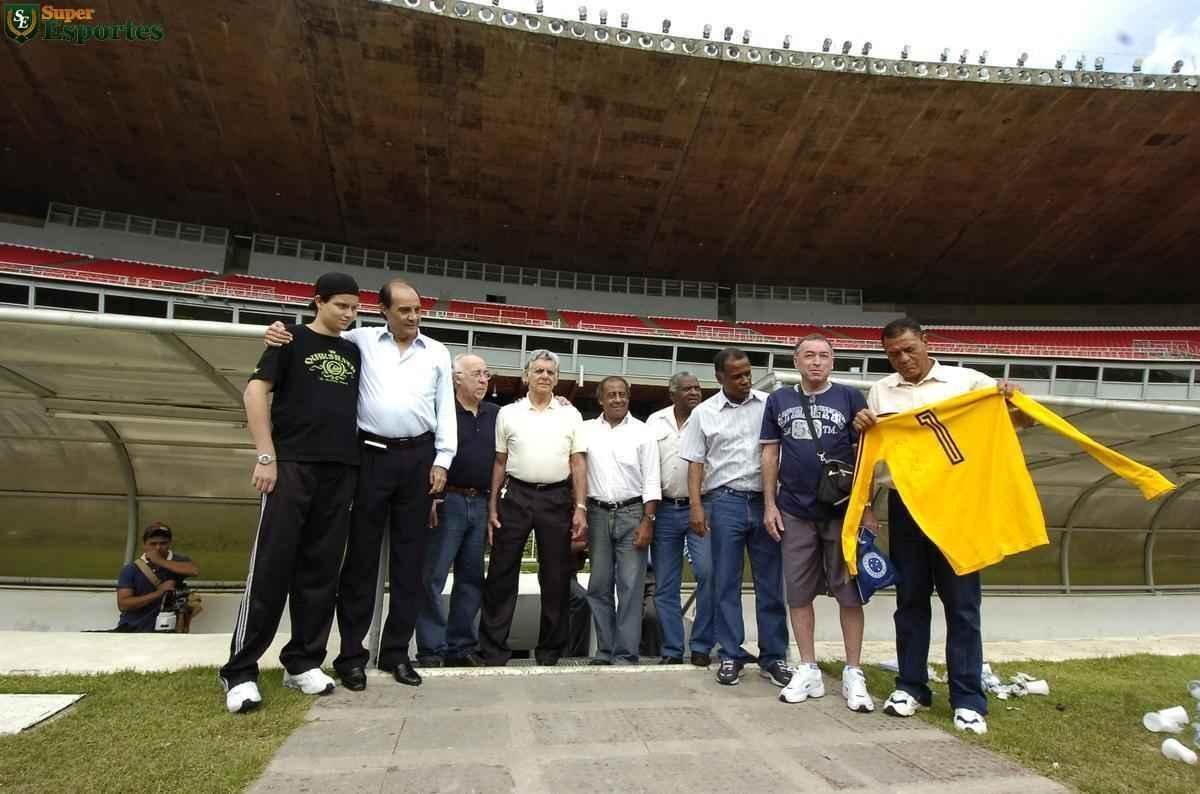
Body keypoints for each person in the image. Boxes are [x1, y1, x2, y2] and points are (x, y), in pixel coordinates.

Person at [266, 278, 456, 691]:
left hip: (419, 460)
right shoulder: (360, 341)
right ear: (383, 310)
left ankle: (396, 652)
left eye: (418, 310)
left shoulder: (438, 352)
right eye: (404, 310)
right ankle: (351, 655)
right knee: (360, 561)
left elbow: (445, 409)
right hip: (369, 457)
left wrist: (443, 460)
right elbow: (316, 332)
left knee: (410, 563)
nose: (413, 317)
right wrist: (280, 329)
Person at [852, 317, 1029, 735]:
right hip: (907, 505)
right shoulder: (881, 391)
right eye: (893, 354)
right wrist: (864, 435)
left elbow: (1018, 421)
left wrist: (1014, 399)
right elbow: (874, 453)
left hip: (956, 507)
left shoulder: (966, 381)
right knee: (910, 600)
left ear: (926, 342)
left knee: (962, 603)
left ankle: (968, 699)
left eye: (909, 349)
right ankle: (911, 686)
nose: (903, 359)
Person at [220, 272, 362, 714]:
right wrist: (266, 455)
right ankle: (240, 671)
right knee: (271, 567)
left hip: (340, 469)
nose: (348, 314)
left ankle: (302, 661)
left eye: (354, 307)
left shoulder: (354, 351)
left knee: (321, 571)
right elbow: (254, 393)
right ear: (318, 301)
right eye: (341, 305)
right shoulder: (289, 340)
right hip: (291, 466)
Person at [761, 335, 875, 712]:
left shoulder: (850, 398)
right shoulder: (779, 400)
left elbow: (865, 455)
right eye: (809, 355)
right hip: (794, 508)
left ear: (833, 361)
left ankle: (853, 670)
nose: (816, 362)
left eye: (824, 356)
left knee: (849, 591)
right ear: (796, 361)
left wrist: (866, 506)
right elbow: (770, 453)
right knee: (798, 591)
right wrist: (769, 504)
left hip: (840, 509)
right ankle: (808, 666)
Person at [680, 348, 791, 688]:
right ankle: (731, 653)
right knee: (725, 583)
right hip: (723, 501)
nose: (745, 380)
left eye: (748, 373)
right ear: (719, 378)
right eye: (737, 376)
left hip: (765, 501)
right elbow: (695, 463)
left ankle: (774, 656)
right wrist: (696, 507)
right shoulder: (703, 413)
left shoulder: (769, 404)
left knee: (770, 583)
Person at [478, 349, 588, 666]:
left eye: (550, 372)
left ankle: (550, 651)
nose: (544, 376)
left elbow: (578, 463)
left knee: (556, 577)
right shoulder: (508, 414)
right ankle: (493, 650)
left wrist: (580, 507)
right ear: (526, 375)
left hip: (557, 498)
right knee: (501, 573)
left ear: (557, 378)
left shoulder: (570, 414)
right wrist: (492, 506)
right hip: (515, 496)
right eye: (538, 370)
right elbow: (500, 462)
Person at [414, 353, 497, 668]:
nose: (483, 380)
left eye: (486, 374)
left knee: (472, 578)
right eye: (476, 374)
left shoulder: (496, 414)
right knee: (432, 577)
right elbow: (426, 456)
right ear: (456, 378)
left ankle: (461, 647)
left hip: (481, 502)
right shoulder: (441, 412)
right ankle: (431, 649)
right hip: (447, 500)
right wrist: (431, 498)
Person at [583, 375, 661, 665]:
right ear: (600, 400)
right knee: (598, 586)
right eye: (611, 394)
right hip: (597, 514)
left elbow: (651, 480)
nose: (618, 399)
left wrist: (648, 520)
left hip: (633, 513)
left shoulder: (643, 432)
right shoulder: (585, 430)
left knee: (630, 587)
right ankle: (605, 651)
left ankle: (626, 653)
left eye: (622, 394)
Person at [647, 371, 715, 667]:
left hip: (701, 507)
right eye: (687, 389)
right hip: (664, 510)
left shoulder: (710, 418)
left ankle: (701, 645)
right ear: (672, 393)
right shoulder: (655, 421)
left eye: (697, 388)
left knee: (708, 573)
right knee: (666, 583)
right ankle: (672, 649)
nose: (694, 393)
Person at [114, 523, 199, 633]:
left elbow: (194, 570)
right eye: (153, 544)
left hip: (167, 630)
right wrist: (159, 593)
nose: (158, 548)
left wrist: (159, 561)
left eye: (163, 543)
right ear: (144, 545)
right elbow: (124, 604)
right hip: (133, 629)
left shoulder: (179, 561)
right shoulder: (131, 569)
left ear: (169, 543)